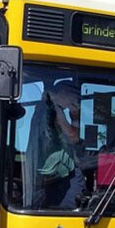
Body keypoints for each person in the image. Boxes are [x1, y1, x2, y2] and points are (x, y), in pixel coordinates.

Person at [34, 81, 86, 209]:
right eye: (74, 96)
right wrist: (75, 117)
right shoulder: (54, 108)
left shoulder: (44, 108)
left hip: (53, 172)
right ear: (63, 93)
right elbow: (73, 136)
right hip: (59, 173)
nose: (76, 101)